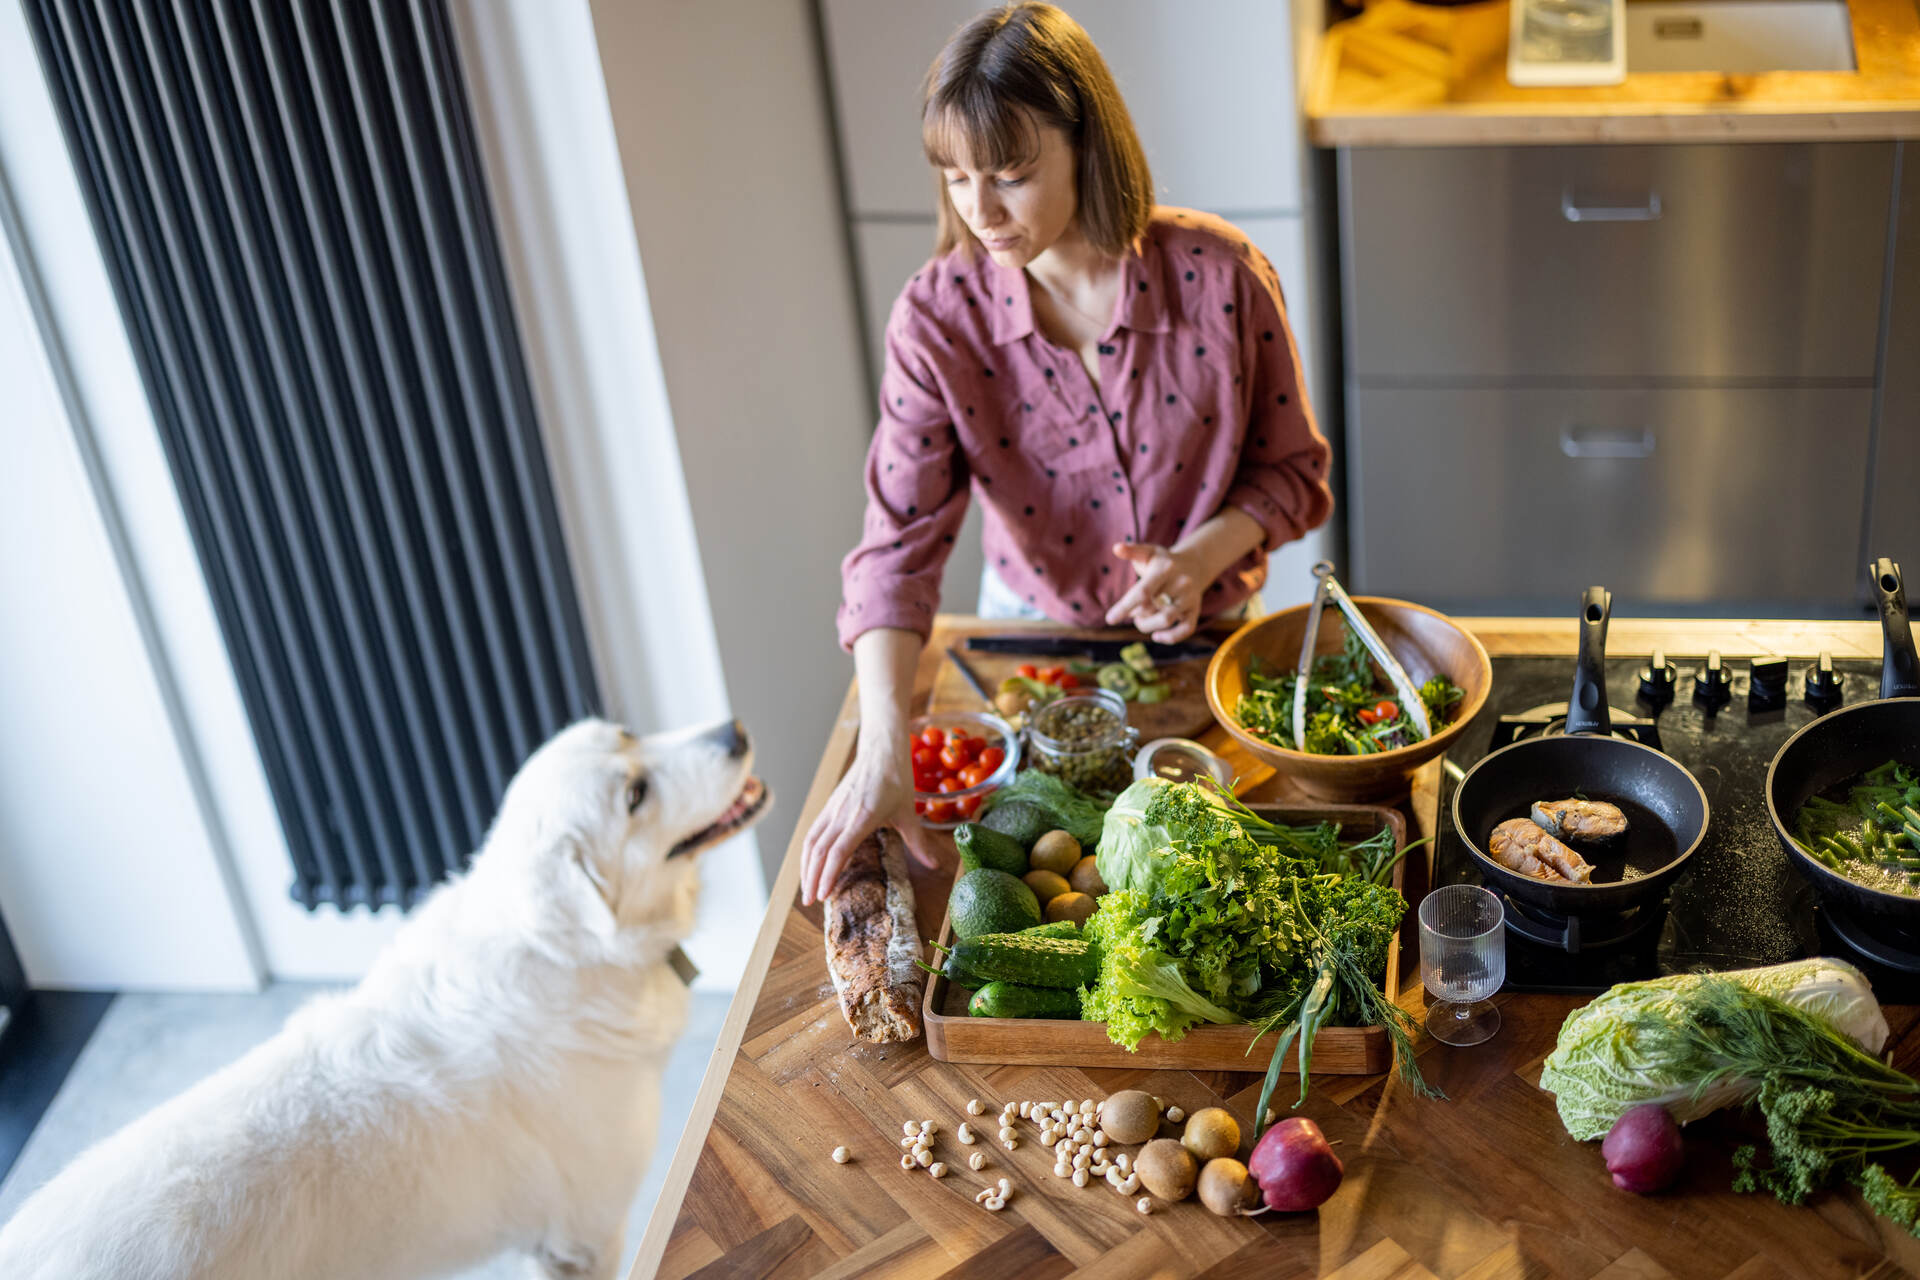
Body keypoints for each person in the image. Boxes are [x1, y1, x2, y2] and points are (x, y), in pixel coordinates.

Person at [799, 2, 1332, 906]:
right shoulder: (938, 317)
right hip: (1026, 640)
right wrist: (885, 750)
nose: (980, 210)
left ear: (1087, 141)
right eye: (956, 177)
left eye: (1009, 173)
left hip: (1205, 644)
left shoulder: (1222, 278)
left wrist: (1199, 560)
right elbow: (898, 548)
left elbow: (1292, 473)